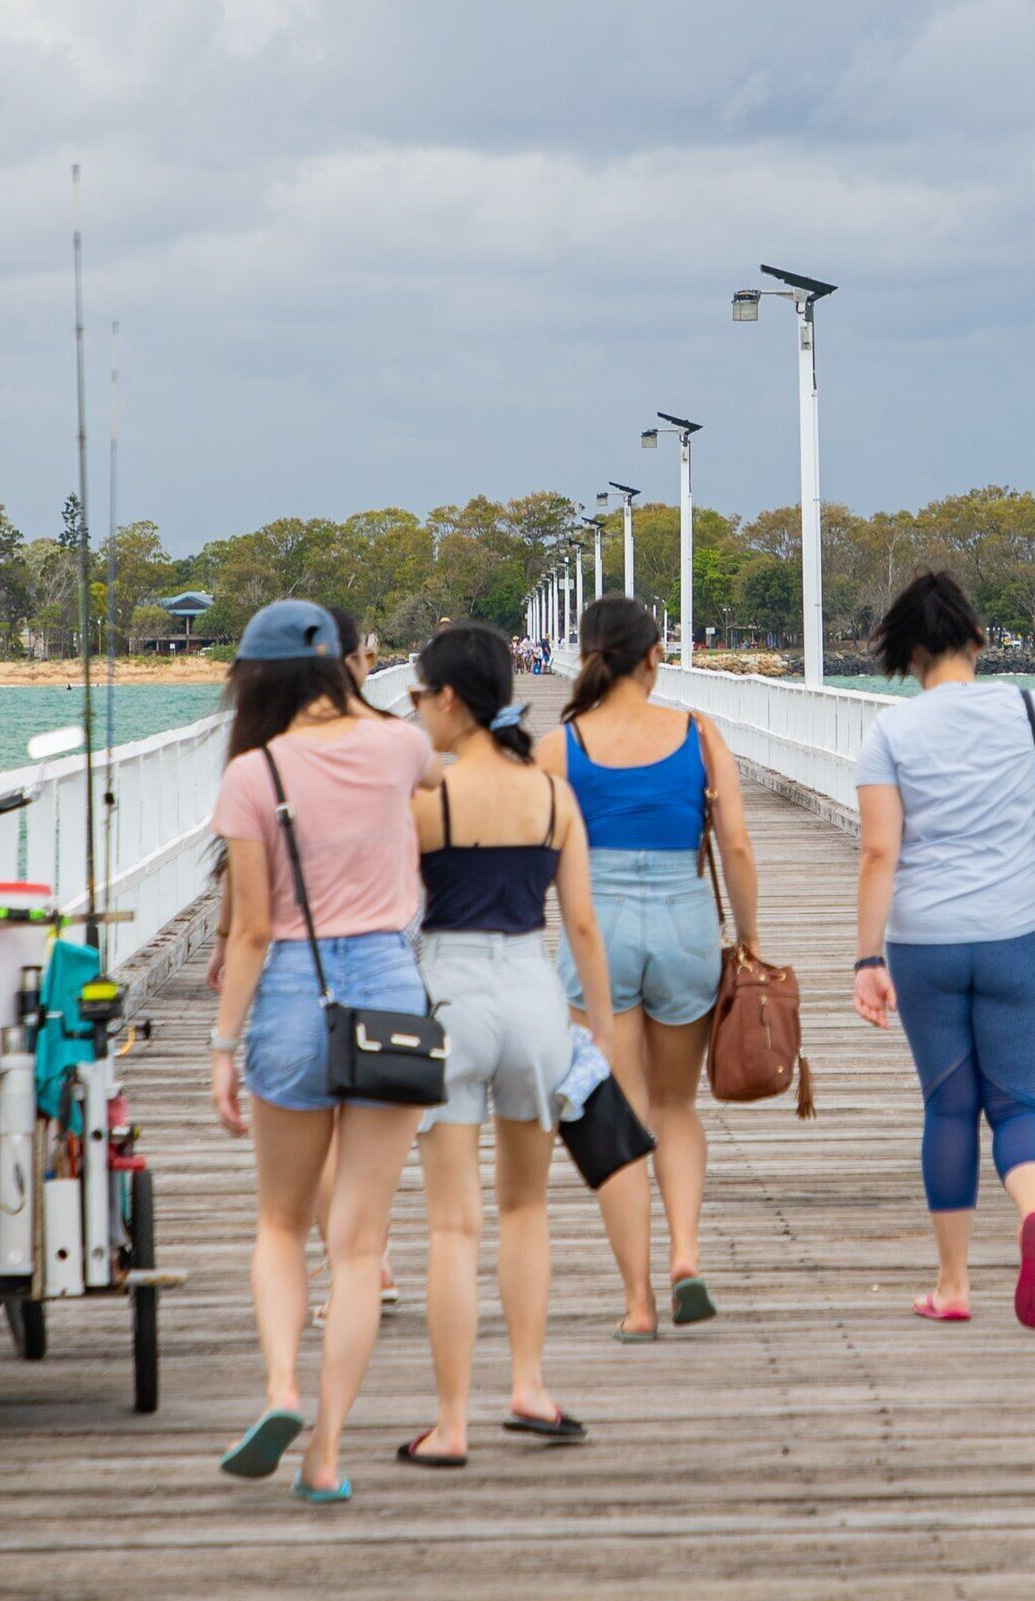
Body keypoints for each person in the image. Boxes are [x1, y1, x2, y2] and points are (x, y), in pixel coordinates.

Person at [206, 599, 443, 1503]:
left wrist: (225, 1047)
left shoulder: (252, 773)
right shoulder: (399, 746)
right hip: (388, 985)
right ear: (343, 662)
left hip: (294, 998)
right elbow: (434, 775)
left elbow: (255, 931)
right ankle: (329, 1455)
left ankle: (280, 1389)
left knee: (279, 1222)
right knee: (359, 1246)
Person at [849, 570, 1035, 1329]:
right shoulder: (1034, 709)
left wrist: (867, 961)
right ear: (978, 639)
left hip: (924, 943)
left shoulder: (891, 732)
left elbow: (877, 854)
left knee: (950, 1108)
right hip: (1017, 934)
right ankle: (1034, 1211)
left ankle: (954, 1286)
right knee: (1019, 1101)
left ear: (907, 656)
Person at [398, 624, 618, 1466]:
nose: (416, 710)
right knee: (526, 1208)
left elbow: (392, 914)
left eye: (419, 696)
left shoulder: (428, 803)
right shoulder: (555, 797)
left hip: (448, 994)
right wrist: (595, 1026)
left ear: (450, 700)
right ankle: (528, 1385)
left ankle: (450, 1425)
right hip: (535, 994)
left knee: (452, 1226)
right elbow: (584, 924)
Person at [542, 596, 763, 1337]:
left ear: (586, 656)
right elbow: (733, 845)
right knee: (676, 1107)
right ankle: (688, 1257)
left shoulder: (560, 744)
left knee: (621, 1112)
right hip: (685, 922)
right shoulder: (699, 735)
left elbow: (535, 854)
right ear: (653, 657)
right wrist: (752, 939)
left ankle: (637, 1301)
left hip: (595, 926)